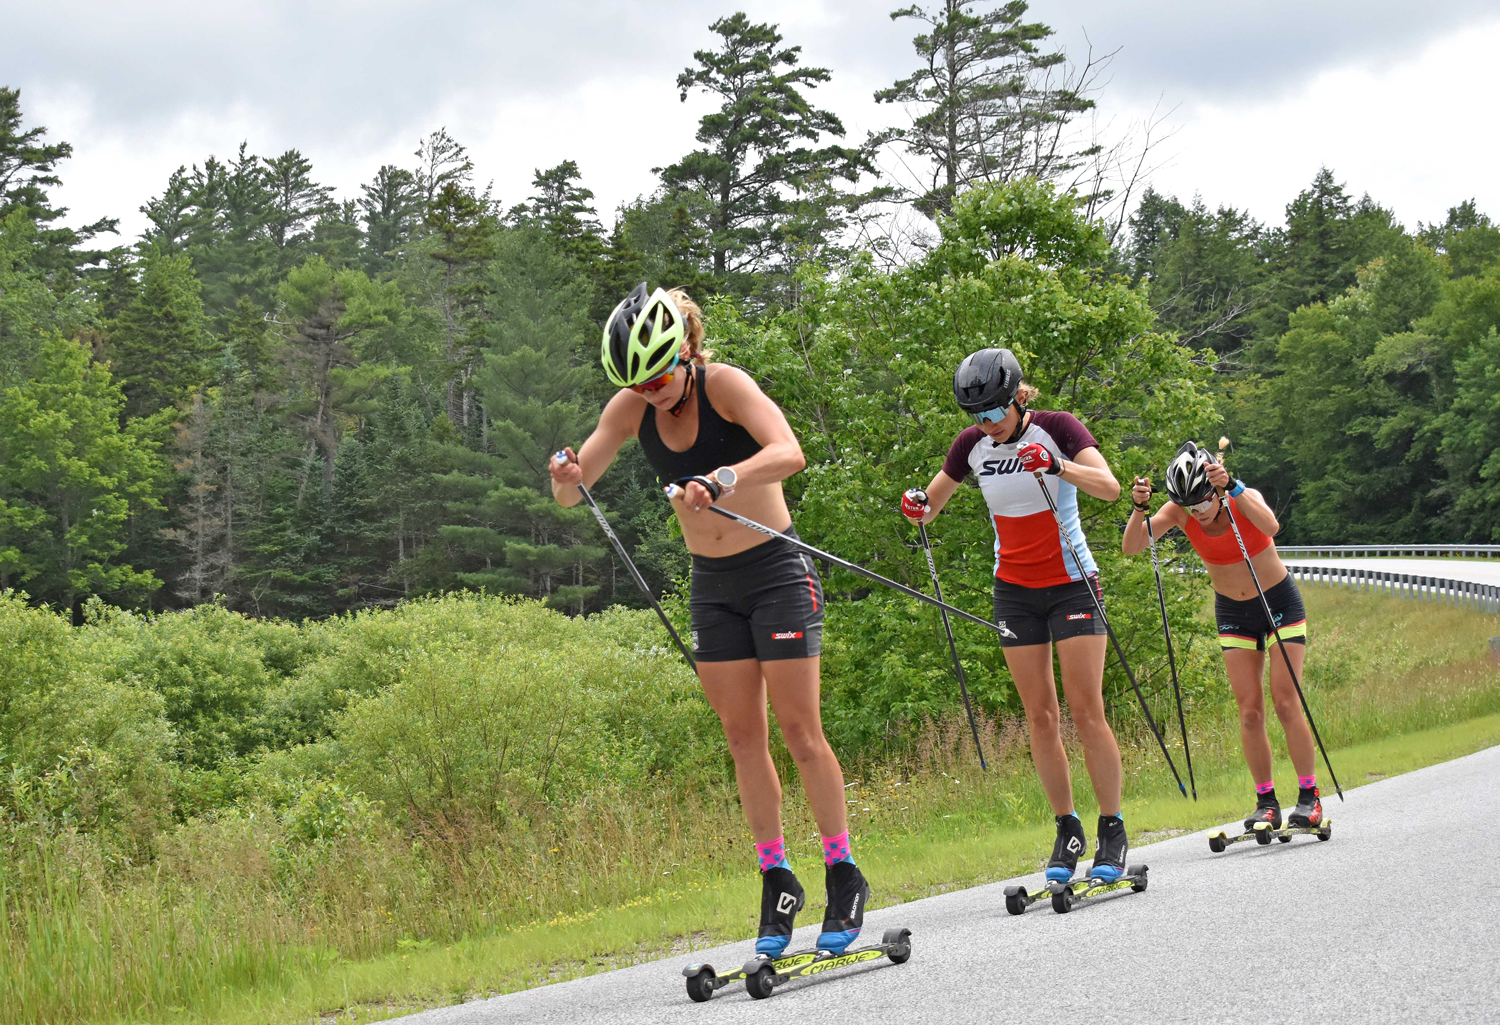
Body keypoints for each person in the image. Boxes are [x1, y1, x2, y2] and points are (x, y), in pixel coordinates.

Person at [549, 283, 867, 957]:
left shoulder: (725, 385)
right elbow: (575, 492)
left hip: (777, 570)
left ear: (687, 349)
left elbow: (790, 451)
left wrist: (724, 477)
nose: (653, 390)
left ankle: (843, 871)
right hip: (713, 586)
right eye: (638, 381)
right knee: (742, 738)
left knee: (800, 731)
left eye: (662, 374)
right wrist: (564, 473)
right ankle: (777, 879)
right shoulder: (632, 405)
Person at [900, 348, 1129, 884]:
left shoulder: (1058, 428)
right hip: (1015, 591)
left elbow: (1110, 488)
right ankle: (1067, 827)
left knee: (1085, 709)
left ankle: (1112, 828)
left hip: (1073, 584)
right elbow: (930, 506)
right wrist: (916, 507)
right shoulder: (971, 446)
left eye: (992, 413)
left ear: (1016, 398)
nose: (984, 424)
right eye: (974, 416)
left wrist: (1058, 465)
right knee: (1041, 717)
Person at [1122, 442, 1323, 832]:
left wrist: (1235, 488)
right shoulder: (1181, 510)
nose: (1197, 513)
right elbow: (1133, 546)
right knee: (1249, 711)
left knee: (1285, 701)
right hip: (1233, 611)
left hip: (1278, 602)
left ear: (1215, 487)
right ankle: (1266, 802)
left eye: (1202, 503)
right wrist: (1140, 509)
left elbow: (1271, 526)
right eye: (1189, 507)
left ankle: (1308, 796)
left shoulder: (1239, 498)